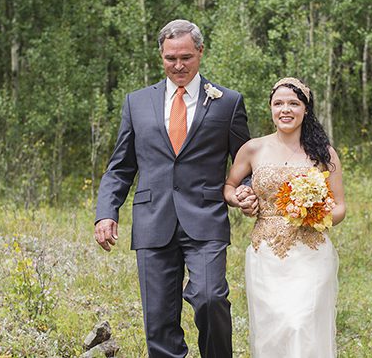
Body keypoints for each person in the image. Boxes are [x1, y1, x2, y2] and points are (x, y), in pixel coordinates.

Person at [94, 19, 253, 357]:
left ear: (200, 52)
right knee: (159, 319)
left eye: (185, 57)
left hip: (206, 218)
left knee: (210, 298)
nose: (178, 66)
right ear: (160, 56)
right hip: (153, 220)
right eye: (170, 58)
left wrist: (248, 189)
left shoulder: (228, 102)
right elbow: (121, 166)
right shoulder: (136, 103)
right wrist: (107, 213)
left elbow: (246, 162)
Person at [224, 77, 346, 357]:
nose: (285, 109)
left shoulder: (324, 154)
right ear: (270, 109)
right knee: (273, 329)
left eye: (294, 103)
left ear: (305, 109)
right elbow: (229, 186)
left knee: (301, 323)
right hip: (266, 253)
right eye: (278, 103)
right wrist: (239, 198)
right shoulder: (254, 148)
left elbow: (340, 206)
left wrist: (318, 215)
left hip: (310, 251)